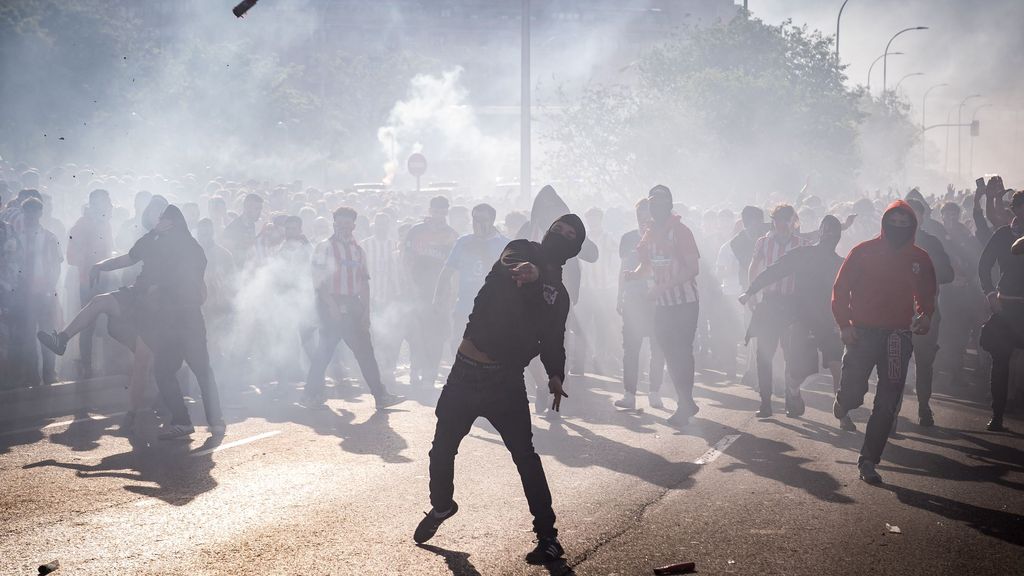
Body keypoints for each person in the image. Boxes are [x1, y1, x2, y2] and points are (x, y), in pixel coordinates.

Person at [414, 213, 586, 565]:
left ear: (575, 249)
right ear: (547, 230)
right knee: (441, 449)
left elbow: (553, 336)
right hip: (464, 373)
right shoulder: (520, 249)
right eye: (559, 229)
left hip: (505, 380)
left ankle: (549, 538)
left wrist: (555, 373)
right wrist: (531, 272)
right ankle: (443, 506)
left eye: (571, 235)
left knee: (525, 458)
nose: (562, 236)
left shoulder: (559, 295)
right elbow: (512, 263)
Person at [832, 201, 937, 484]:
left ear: (913, 227)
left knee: (888, 400)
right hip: (862, 333)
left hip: (896, 337)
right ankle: (844, 402)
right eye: (895, 222)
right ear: (885, 222)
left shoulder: (920, 258)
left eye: (905, 224)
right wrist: (844, 324)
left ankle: (868, 459)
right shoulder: (863, 252)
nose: (899, 228)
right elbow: (840, 289)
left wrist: (925, 316)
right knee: (854, 391)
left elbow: (927, 294)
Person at [739, 215, 844, 419]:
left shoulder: (841, 263)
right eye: (827, 230)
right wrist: (751, 291)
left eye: (835, 232)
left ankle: (842, 410)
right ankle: (791, 391)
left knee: (836, 363)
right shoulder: (803, 254)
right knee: (799, 369)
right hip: (801, 317)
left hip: (829, 318)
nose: (830, 235)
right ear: (820, 232)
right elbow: (775, 271)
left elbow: (852, 290)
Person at [303, 207, 403, 410]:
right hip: (331, 302)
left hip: (352, 303)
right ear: (334, 224)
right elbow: (318, 280)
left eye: (347, 224)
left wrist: (365, 312)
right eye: (340, 224)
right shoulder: (325, 247)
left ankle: (380, 395)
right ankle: (310, 394)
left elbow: (364, 282)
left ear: (354, 226)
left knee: (364, 351)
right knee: (325, 350)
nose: (344, 228)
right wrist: (330, 306)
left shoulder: (358, 250)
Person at [626, 185, 700, 426]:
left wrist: (663, 287)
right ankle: (686, 400)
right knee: (668, 351)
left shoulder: (681, 231)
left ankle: (685, 402)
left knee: (681, 352)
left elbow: (692, 268)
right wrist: (635, 275)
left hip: (685, 302)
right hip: (663, 303)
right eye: (652, 204)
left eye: (660, 204)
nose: (655, 209)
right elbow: (647, 266)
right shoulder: (648, 233)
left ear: (669, 206)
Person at [746, 204, 806, 417]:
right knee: (764, 354)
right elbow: (753, 268)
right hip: (769, 303)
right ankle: (765, 403)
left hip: (791, 305)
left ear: (793, 221)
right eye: (777, 219)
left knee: (792, 355)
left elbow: (808, 276)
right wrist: (752, 293)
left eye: (786, 219)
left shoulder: (801, 244)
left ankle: (793, 395)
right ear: (773, 221)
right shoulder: (763, 243)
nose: (781, 224)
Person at [902, 198, 954, 427]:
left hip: (925, 311)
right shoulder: (888, 242)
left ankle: (924, 406)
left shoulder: (931, 243)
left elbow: (947, 273)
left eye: (915, 213)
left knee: (924, 363)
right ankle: (890, 411)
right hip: (894, 311)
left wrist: (923, 272)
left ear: (922, 218)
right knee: (895, 362)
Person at [977, 190, 1024, 432]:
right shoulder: (1003, 234)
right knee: (1000, 362)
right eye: (1022, 207)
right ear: (1014, 210)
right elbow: (984, 265)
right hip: (1007, 304)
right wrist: (989, 293)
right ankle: (997, 414)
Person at [433, 203, 508, 352]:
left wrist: (482, 249)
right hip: (465, 306)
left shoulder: (504, 244)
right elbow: (447, 272)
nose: (477, 223)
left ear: (491, 221)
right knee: (459, 347)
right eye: (475, 219)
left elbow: (506, 277)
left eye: (482, 219)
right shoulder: (463, 242)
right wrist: (437, 298)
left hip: (493, 308)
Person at [615, 198, 666, 409]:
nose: (643, 219)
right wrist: (619, 296)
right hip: (633, 300)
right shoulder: (627, 238)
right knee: (631, 349)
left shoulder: (662, 237)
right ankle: (629, 394)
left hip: (657, 299)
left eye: (647, 215)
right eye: (640, 215)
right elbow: (622, 269)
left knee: (658, 347)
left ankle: (654, 392)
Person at [403, 196, 458, 388]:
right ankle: (415, 368)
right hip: (417, 290)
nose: (438, 214)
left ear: (446, 212)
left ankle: (430, 374)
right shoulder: (416, 231)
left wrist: (451, 294)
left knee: (437, 334)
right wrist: (409, 286)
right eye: (435, 210)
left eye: (442, 211)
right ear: (430, 210)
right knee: (417, 332)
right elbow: (406, 259)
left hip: (441, 292)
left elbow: (455, 267)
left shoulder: (451, 235)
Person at [13, 197, 63, 386]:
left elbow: (57, 264)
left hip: (45, 293)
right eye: (28, 212)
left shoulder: (50, 237)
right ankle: (31, 374)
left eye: (35, 212)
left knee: (46, 333)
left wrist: (51, 286)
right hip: (23, 293)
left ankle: (49, 373)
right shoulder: (16, 237)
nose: (31, 216)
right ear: (24, 213)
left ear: (41, 213)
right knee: (27, 335)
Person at [66, 189, 114, 379]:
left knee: (109, 322)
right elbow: (71, 257)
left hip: (106, 279)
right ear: (92, 203)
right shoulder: (81, 225)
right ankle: (86, 365)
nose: (105, 204)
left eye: (106, 200)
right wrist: (90, 260)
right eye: (101, 201)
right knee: (88, 324)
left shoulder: (106, 224)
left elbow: (108, 249)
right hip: (88, 281)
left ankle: (106, 364)